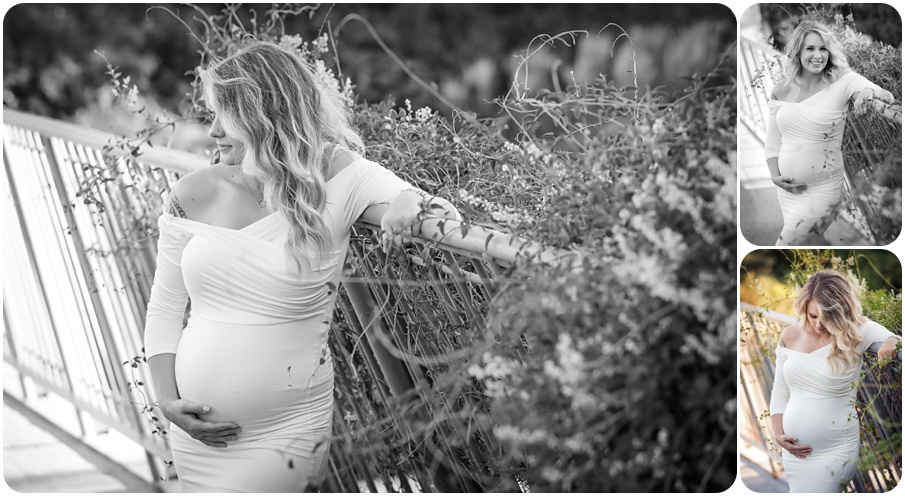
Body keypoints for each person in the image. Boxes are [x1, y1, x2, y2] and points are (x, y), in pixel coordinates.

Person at [143, 41, 459, 492]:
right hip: (194, 432)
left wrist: (407, 203)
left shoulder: (341, 176)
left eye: (223, 117)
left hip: (285, 431)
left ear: (262, 114)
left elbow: (438, 212)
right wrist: (166, 401)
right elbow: (165, 307)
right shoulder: (191, 192)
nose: (212, 132)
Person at [765, 20, 897, 246]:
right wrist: (775, 177)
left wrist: (866, 93)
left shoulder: (844, 81)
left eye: (823, 49)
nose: (818, 55)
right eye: (810, 48)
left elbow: (885, 95)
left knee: (785, 248)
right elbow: (773, 140)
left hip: (824, 190)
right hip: (788, 192)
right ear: (797, 52)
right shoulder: (780, 89)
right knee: (811, 247)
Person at [769, 270, 901, 492]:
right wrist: (777, 436)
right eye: (813, 316)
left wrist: (892, 341)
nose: (819, 324)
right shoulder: (790, 335)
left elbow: (894, 339)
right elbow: (779, 391)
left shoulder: (857, 331)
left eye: (827, 317)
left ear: (841, 311)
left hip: (835, 451)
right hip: (794, 452)